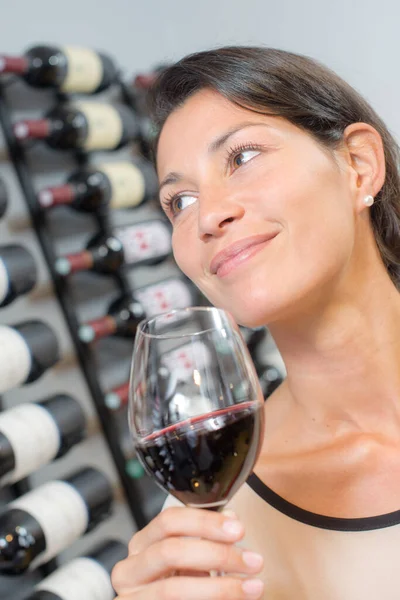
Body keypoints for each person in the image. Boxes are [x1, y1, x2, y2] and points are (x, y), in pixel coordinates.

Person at [112, 46, 400, 599]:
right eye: (181, 200)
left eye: (242, 156)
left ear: (359, 165)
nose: (208, 217)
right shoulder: (213, 525)